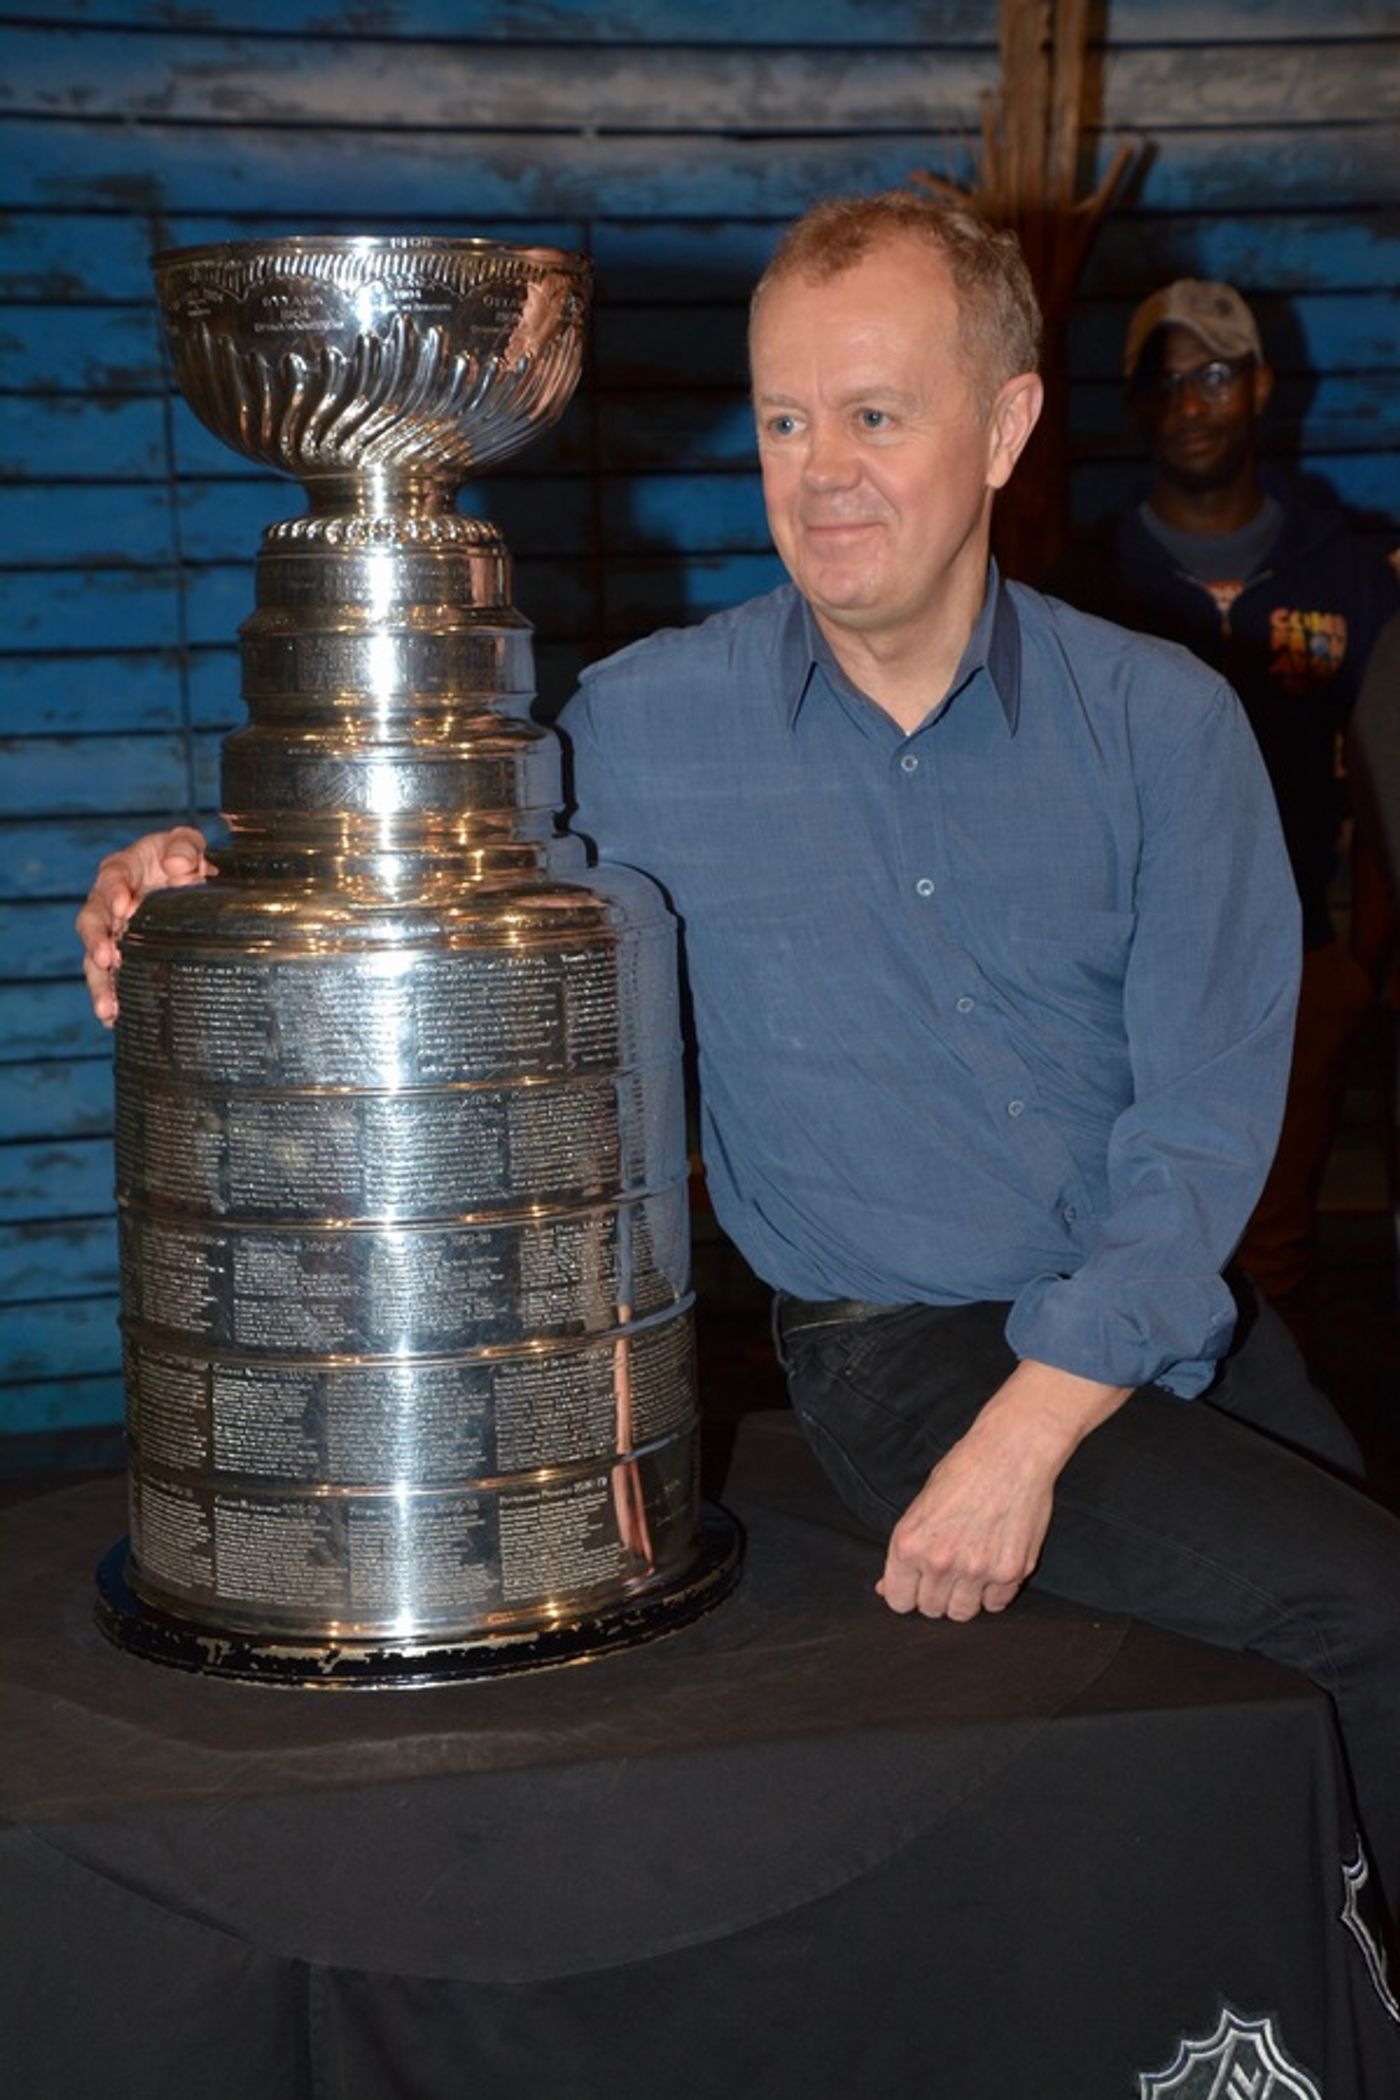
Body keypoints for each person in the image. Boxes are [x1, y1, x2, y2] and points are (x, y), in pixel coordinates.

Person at [78, 194, 1400, 1926]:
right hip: (904, 1348)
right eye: (784, 419)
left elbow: (1208, 1127)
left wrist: (1033, 1444)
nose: (820, 470)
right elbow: (418, 866)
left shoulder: (1164, 723)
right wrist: (188, 875)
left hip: (1162, 1323)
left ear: (1004, 425)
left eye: (875, 414)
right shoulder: (640, 734)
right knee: (1369, 1613)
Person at [1051, 279, 1400, 1343]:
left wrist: (1359, 967)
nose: (1189, 401)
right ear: (1132, 406)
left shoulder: (1349, 575)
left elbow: (1383, 780)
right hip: (1123, 978)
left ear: (1257, 385)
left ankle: (1281, 1474)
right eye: (1162, 379)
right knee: (1138, 1231)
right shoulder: (1089, 577)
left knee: (1271, 1241)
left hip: (1295, 961)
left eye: (1211, 373)